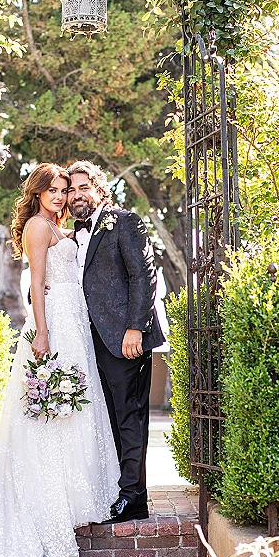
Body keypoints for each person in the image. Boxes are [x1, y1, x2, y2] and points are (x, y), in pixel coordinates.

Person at [0, 163, 119, 557]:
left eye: (64, 190)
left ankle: (68, 489)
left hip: (73, 320)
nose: (61, 197)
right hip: (53, 323)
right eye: (53, 190)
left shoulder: (59, 225)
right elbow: (36, 285)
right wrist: (41, 333)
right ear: (38, 192)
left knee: (74, 407)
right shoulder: (39, 228)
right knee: (52, 407)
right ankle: (48, 499)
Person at [67, 161, 165, 523]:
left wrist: (135, 328)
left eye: (83, 188)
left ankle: (133, 498)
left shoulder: (124, 222)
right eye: (71, 190)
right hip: (91, 339)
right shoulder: (75, 234)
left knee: (129, 416)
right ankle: (122, 491)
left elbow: (144, 275)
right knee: (107, 418)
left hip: (125, 337)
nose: (76, 196)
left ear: (99, 190)